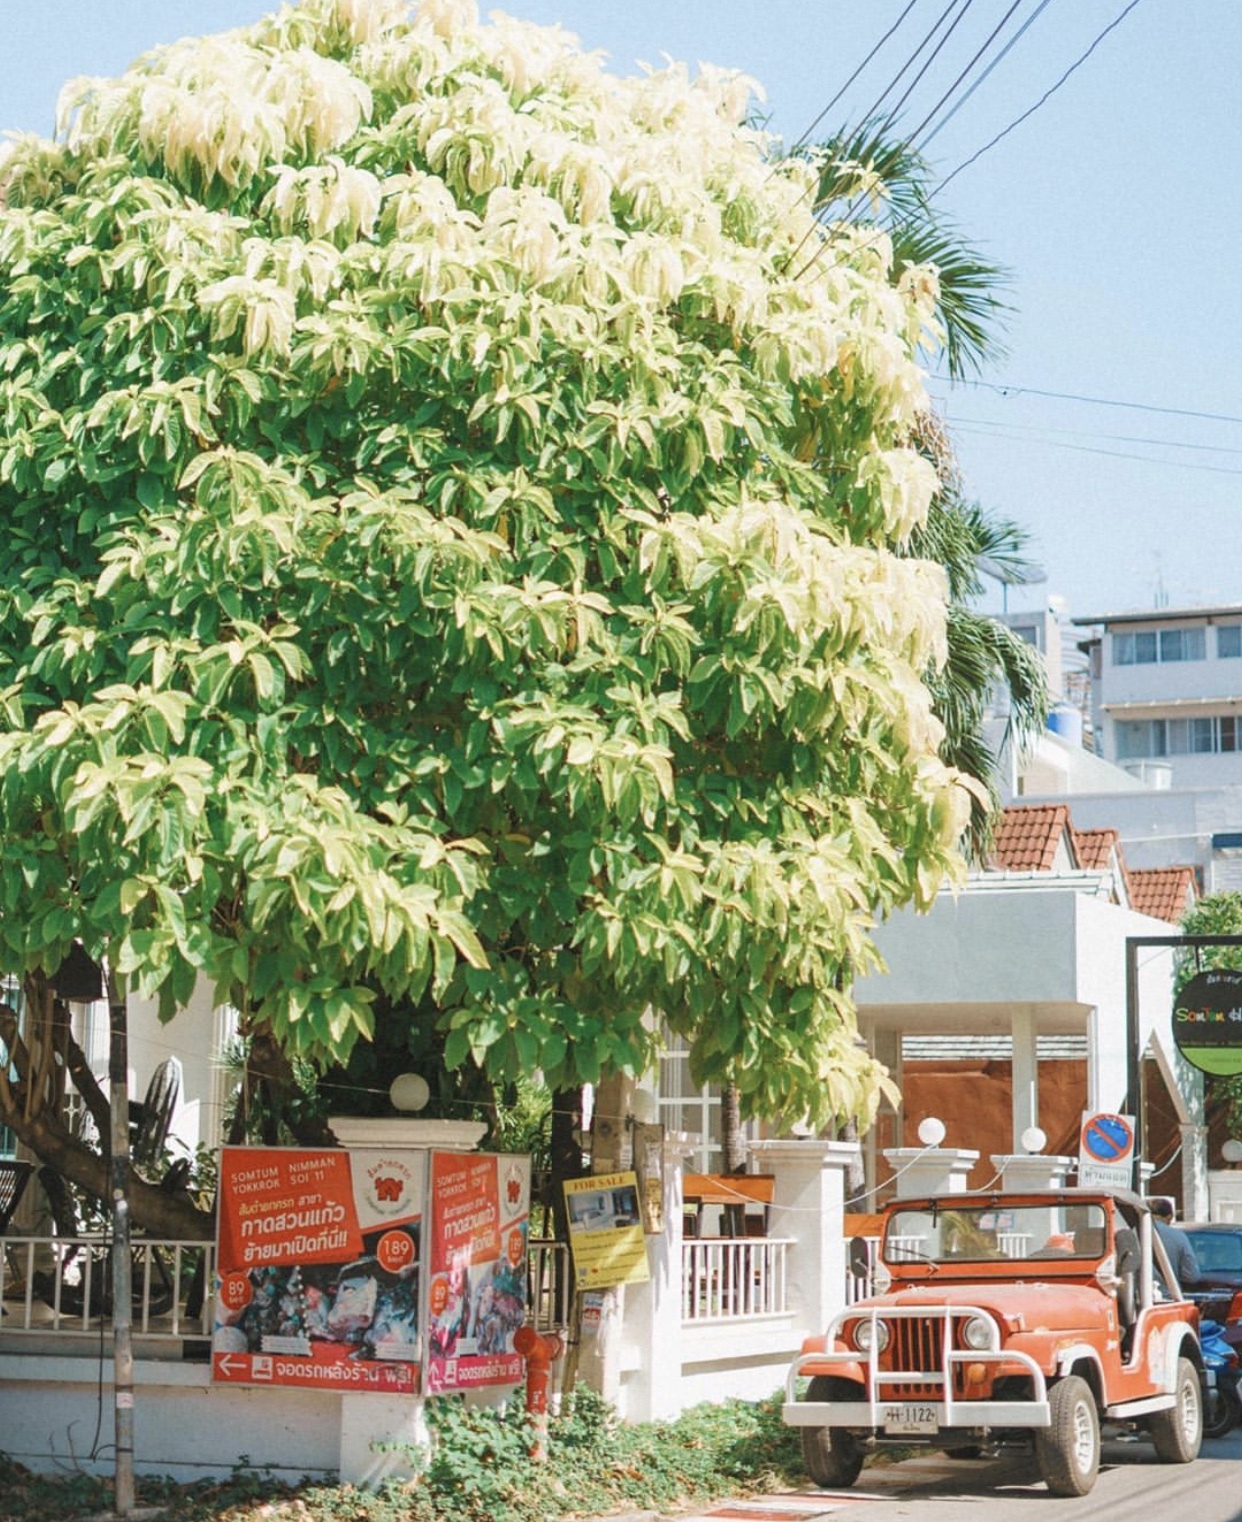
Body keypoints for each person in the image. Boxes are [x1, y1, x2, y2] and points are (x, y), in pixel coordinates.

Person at [1150, 1197, 1200, 1288]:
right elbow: (1192, 1276)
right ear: (1170, 1216)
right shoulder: (1178, 1236)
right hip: (1167, 1295)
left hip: (1134, 1296)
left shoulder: (1132, 1232)